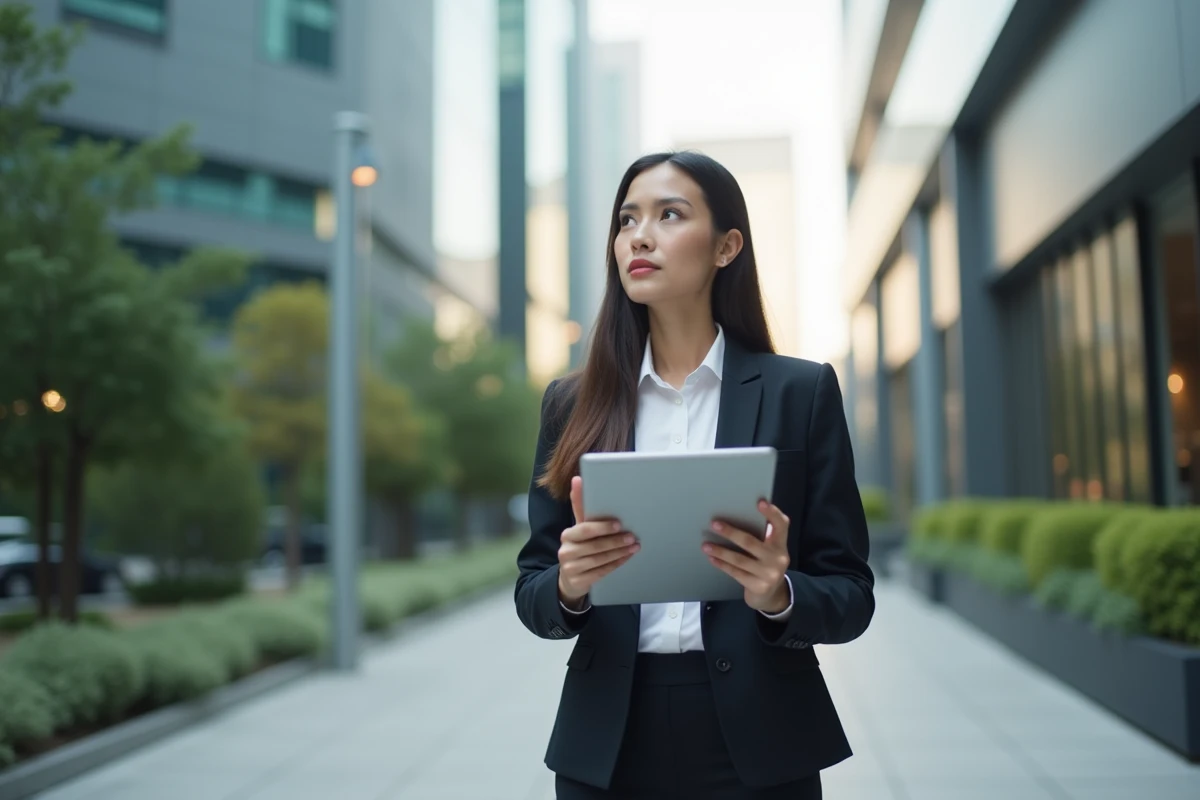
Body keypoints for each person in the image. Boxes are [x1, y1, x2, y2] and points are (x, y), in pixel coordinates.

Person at [515, 151, 875, 799]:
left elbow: (851, 594)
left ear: (726, 246)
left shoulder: (802, 392)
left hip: (761, 739)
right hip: (609, 739)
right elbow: (532, 590)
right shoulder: (572, 403)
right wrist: (569, 585)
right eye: (627, 220)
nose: (639, 236)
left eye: (668, 215)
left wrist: (779, 593)